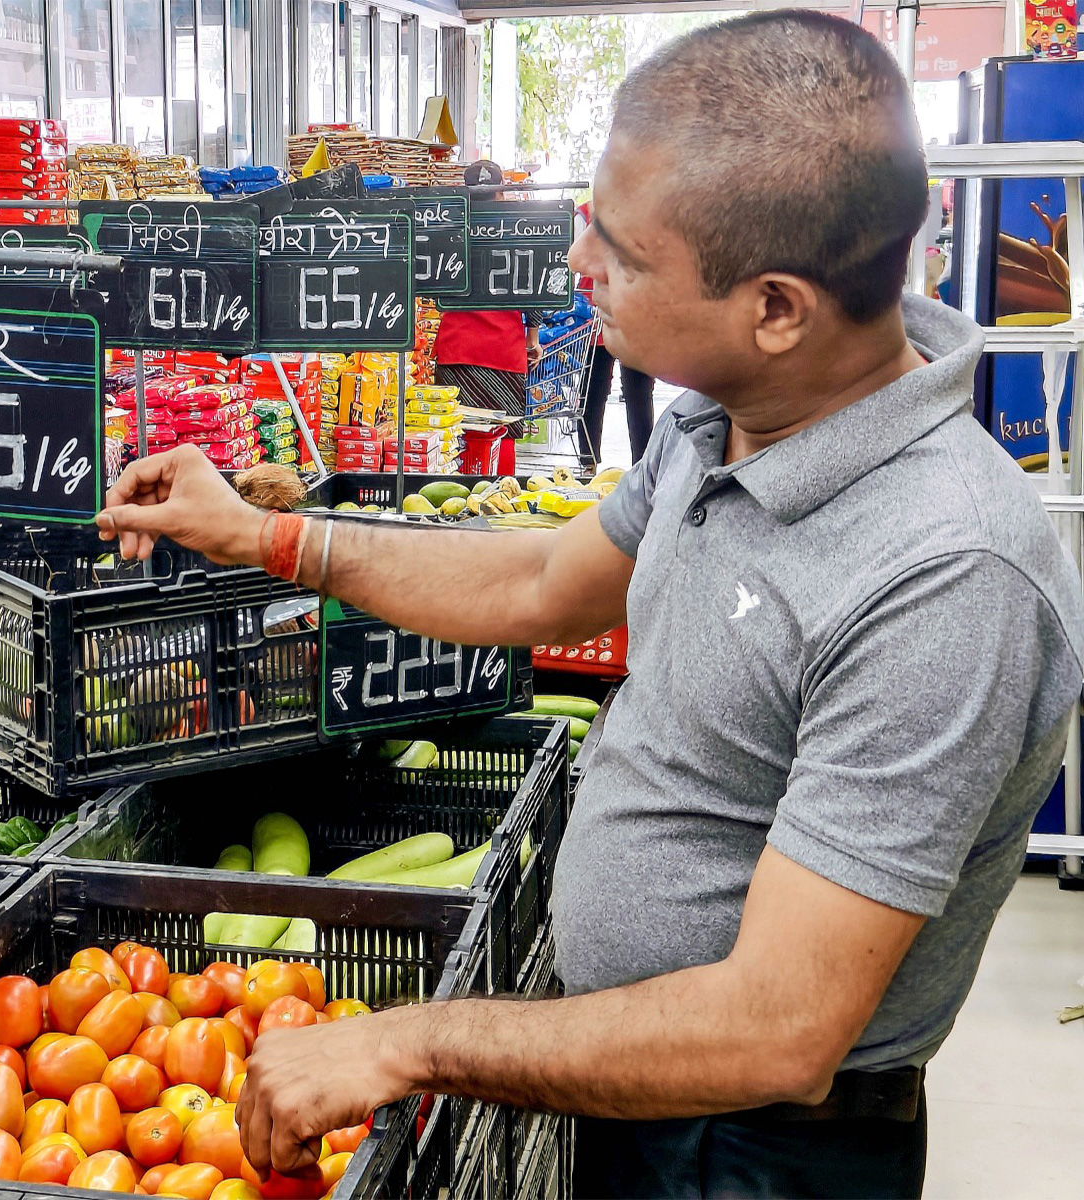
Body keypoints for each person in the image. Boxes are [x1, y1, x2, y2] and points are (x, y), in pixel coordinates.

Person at [95, 12, 1084, 1198]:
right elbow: (536, 581)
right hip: (634, 1076)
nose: (576, 266)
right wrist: (266, 534)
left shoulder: (946, 581)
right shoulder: (724, 418)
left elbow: (775, 1028)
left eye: (619, 249)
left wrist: (409, 1038)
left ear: (776, 308)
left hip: (758, 1147)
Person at [431, 161, 544, 445]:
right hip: (503, 352)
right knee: (501, 436)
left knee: (455, 439)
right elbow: (535, 288)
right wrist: (532, 339)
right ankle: (500, 490)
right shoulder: (520, 230)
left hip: (456, 349)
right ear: (501, 194)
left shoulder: (448, 230)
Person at [574, 197, 658, 468]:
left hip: (604, 312)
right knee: (622, 391)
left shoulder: (585, 213)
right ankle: (637, 461)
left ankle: (596, 460)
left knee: (601, 391)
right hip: (609, 313)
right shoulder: (643, 212)